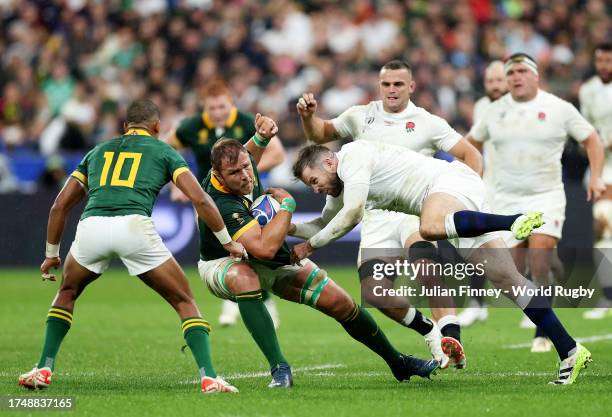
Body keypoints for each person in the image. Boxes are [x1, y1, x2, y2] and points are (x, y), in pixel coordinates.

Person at [292, 140, 592, 385]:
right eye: (310, 186)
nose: (315, 189)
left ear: (330, 163)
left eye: (314, 181)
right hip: (454, 205)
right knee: (509, 281)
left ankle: (511, 221)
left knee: (430, 226)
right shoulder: (339, 186)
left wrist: (309, 247)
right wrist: (286, 226)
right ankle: (570, 350)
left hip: (446, 184)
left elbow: (353, 213)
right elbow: (322, 224)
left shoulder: (353, 156)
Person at [18, 99, 245, 394]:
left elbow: (60, 205)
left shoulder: (97, 151)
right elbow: (200, 199)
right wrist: (229, 242)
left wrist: (51, 255)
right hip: (133, 227)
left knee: (67, 292)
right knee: (184, 301)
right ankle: (210, 377)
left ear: (125, 127)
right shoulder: (164, 150)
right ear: (158, 127)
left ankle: (43, 367)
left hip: (92, 226)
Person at [197, 134, 439, 388]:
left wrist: (261, 136)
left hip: (265, 259)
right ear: (219, 175)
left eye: (248, 166)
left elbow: (250, 153)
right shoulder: (220, 201)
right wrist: (287, 207)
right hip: (223, 262)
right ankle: (280, 369)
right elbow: (264, 249)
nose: (246, 176)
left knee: (340, 302)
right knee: (244, 277)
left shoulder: (246, 166)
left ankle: (398, 362)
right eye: (235, 172)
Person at [294, 59, 484, 368]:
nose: (392, 89)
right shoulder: (361, 116)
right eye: (386, 84)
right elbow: (320, 135)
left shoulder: (428, 122)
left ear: (411, 86)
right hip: (377, 215)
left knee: (427, 268)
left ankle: (453, 339)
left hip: (414, 208)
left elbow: (470, 155)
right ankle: (430, 332)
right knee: (376, 294)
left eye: (398, 84)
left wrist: (464, 198)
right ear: (379, 86)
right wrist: (308, 117)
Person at [465, 53, 605, 352]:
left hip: (546, 196)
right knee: (514, 270)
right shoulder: (493, 111)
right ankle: (551, 276)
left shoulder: (557, 108)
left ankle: (542, 332)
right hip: (504, 198)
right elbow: (470, 144)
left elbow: (592, 139)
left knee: (538, 259)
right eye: (510, 72)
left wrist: (595, 177)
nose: (515, 77)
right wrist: (470, 175)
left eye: (520, 71)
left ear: (535, 75)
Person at [167, 79, 285, 328]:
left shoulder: (246, 121)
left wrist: (242, 172)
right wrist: (178, 181)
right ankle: (237, 298)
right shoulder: (191, 127)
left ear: (231, 103)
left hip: (248, 199)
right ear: (204, 108)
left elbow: (278, 153)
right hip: (207, 200)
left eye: (222, 107)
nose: (218, 113)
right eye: (212, 109)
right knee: (223, 249)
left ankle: (261, 300)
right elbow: (166, 149)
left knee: (248, 249)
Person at [457, 60, 508, 327]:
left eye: (500, 80)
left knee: (530, 249)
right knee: (474, 244)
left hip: (520, 188)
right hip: (489, 185)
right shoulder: (482, 107)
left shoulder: (523, 108)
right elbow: (474, 143)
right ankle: (477, 304)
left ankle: (541, 298)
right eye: (490, 81)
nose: (495, 86)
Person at [579, 42, 612, 320]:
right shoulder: (588, 90)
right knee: (603, 228)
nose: (604, 65)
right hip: (602, 170)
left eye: (608, 60)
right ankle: (608, 294)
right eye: (600, 59)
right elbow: (583, 131)